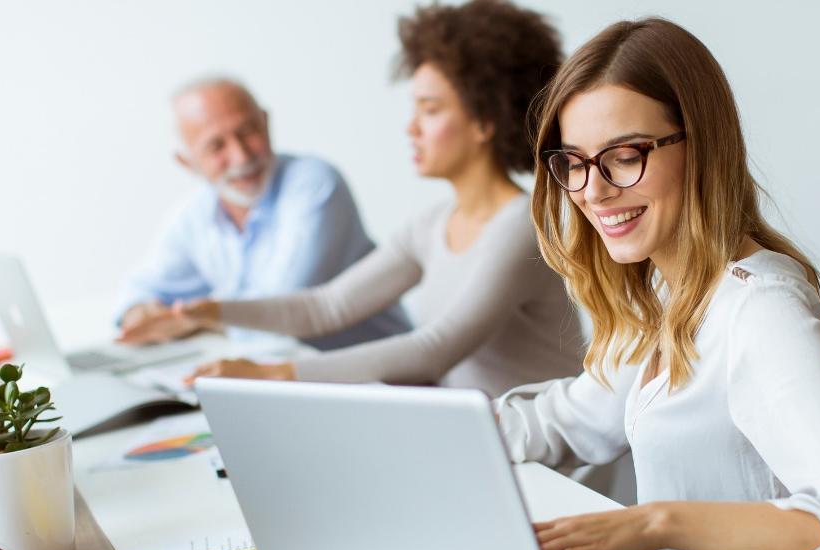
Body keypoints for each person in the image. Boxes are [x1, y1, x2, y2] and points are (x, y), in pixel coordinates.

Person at [495, 18, 820, 550]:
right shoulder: (666, 297)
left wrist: (657, 523)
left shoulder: (761, 310)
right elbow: (564, 422)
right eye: (573, 161)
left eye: (625, 155)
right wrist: (426, 437)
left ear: (700, 145)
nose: (593, 191)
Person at [178, 0, 584, 397]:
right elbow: (325, 307)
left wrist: (276, 374)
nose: (411, 128)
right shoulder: (431, 225)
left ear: (485, 121)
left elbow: (433, 350)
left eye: (429, 110)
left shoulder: (521, 226)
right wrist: (208, 311)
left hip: (548, 460)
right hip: (486, 440)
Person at [115, 78, 411, 350]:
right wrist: (140, 311)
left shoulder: (315, 183)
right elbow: (139, 291)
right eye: (216, 146)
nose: (242, 156)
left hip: (379, 381)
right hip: (284, 378)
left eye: (248, 132)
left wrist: (196, 319)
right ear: (186, 161)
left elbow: (281, 312)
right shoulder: (194, 215)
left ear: (266, 123)